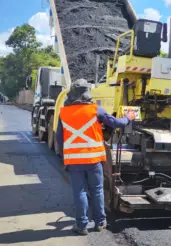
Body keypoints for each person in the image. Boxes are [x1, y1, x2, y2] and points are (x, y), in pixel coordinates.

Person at [56, 79, 136, 235]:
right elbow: (115, 123)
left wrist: (64, 156)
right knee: (97, 190)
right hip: (94, 161)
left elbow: (60, 138)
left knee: (79, 192)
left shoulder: (63, 113)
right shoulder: (96, 110)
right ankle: (100, 223)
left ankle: (81, 225)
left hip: (74, 161)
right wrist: (129, 117)